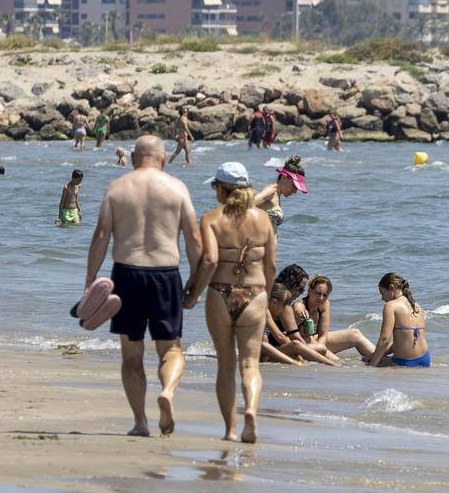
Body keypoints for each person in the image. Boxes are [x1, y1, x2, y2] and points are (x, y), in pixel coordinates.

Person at [85, 135, 202, 438]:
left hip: (126, 274)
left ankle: (140, 422)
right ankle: (168, 393)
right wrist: (194, 283)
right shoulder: (177, 188)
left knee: (131, 355)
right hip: (165, 275)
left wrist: (90, 282)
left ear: (135, 158)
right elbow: (193, 238)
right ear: (163, 159)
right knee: (170, 349)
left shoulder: (117, 188)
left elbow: (100, 236)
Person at [183, 162, 276, 443]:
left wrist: (194, 294)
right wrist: (266, 299)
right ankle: (250, 411)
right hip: (255, 293)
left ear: (221, 190)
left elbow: (210, 260)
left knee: (225, 365)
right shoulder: (263, 219)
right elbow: (271, 265)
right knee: (250, 364)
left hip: (221, 293)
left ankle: (230, 430)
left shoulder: (212, 218)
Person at [294, 274, 374, 359]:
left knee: (355, 334)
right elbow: (298, 308)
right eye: (318, 293)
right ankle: (339, 363)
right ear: (309, 291)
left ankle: (378, 356)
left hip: (317, 343)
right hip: (302, 344)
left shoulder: (324, 304)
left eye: (325, 295)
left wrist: (320, 348)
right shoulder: (300, 305)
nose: (321, 298)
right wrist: (301, 313)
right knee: (338, 362)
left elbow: (323, 335)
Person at [262, 283, 337, 366]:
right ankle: (331, 364)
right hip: (263, 356)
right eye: (284, 306)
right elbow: (278, 337)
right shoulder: (264, 311)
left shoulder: (264, 310)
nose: (284, 310)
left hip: (265, 352)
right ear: (274, 302)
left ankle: (329, 363)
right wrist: (297, 351)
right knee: (295, 345)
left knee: (302, 347)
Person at [366, 272, 430, 368]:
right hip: (425, 359)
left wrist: (372, 364)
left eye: (382, 293)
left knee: (365, 362)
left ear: (391, 288)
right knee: (374, 357)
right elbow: (405, 339)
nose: (382, 298)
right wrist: (375, 354)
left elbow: (384, 340)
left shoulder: (391, 306)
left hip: (405, 362)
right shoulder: (417, 306)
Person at [253, 155, 307, 231]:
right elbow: (245, 206)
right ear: (284, 178)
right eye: (294, 186)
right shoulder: (271, 191)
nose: (295, 191)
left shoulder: (277, 196)